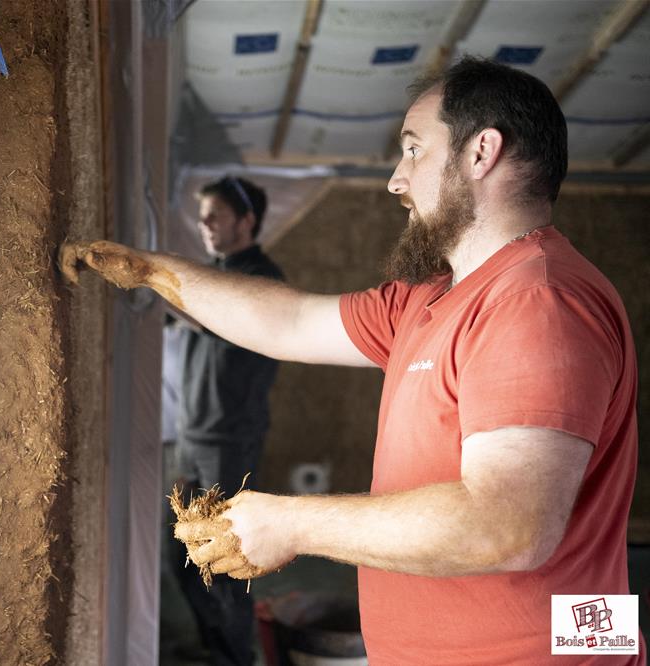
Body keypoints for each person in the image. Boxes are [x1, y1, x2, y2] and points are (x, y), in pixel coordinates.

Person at [60, 56, 646, 664]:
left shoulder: (537, 299)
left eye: (414, 150)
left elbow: (504, 524)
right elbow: (287, 321)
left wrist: (294, 524)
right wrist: (152, 271)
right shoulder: (432, 298)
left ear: (481, 153)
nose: (396, 179)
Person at [163, 176, 283, 665]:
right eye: (202, 215)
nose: (204, 224)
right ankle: (218, 650)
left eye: (216, 215)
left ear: (246, 221)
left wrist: (159, 283)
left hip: (228, 443)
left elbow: (214, 315)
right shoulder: (208, 277)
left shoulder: (261, 280)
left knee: (224, 561)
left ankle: (237, 657)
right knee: (183, 560)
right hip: (192, 440)